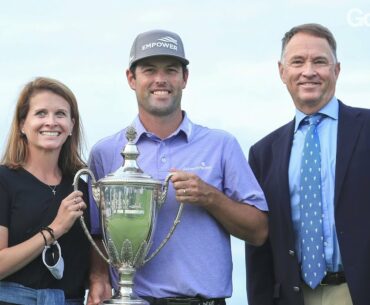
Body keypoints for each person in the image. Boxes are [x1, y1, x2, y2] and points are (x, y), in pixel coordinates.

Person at [87, 29, 268, 305]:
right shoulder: (106, 152)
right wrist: (98, 277)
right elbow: (97, 233)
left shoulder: (221, 145)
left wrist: (211, 197)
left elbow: (258, 231)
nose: (161, 80)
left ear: (184, 78)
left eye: (171, 70)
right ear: (131, 79)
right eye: (149, 70)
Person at [245, 23, 370, 305]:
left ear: (336, 70)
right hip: (294, 296)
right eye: (298, 62)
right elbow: (259, 247)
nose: (309, 71)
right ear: (282, 71)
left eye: (320, 62)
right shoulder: (263, 153)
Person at [0, 77, 91, 305]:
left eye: (60, 114)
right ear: (22, 124)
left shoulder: (82, 184)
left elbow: (94, 248)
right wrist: (55, 229)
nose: (51, 122)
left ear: (71, 125)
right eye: (41, 113)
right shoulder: (3, 180)